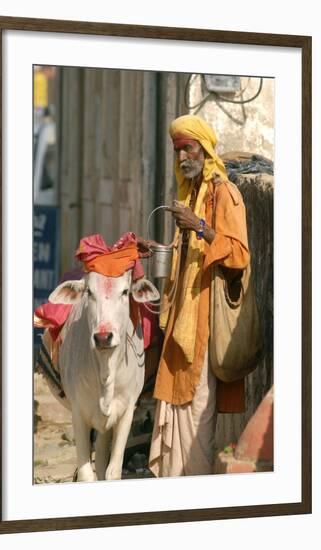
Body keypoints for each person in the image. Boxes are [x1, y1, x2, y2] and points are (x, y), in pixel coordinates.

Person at [137, 114, 250, 477]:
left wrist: (200, 227)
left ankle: (195, 493)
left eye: (189, 147)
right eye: (178, 150)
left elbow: (239, 255)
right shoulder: (190, 197)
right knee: (177, 409)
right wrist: (154, 249)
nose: (184, 156)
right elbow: (184, 259)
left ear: (204, 148)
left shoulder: (225, 194)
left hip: (204, 325)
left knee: (197, 413)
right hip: (180, 320)